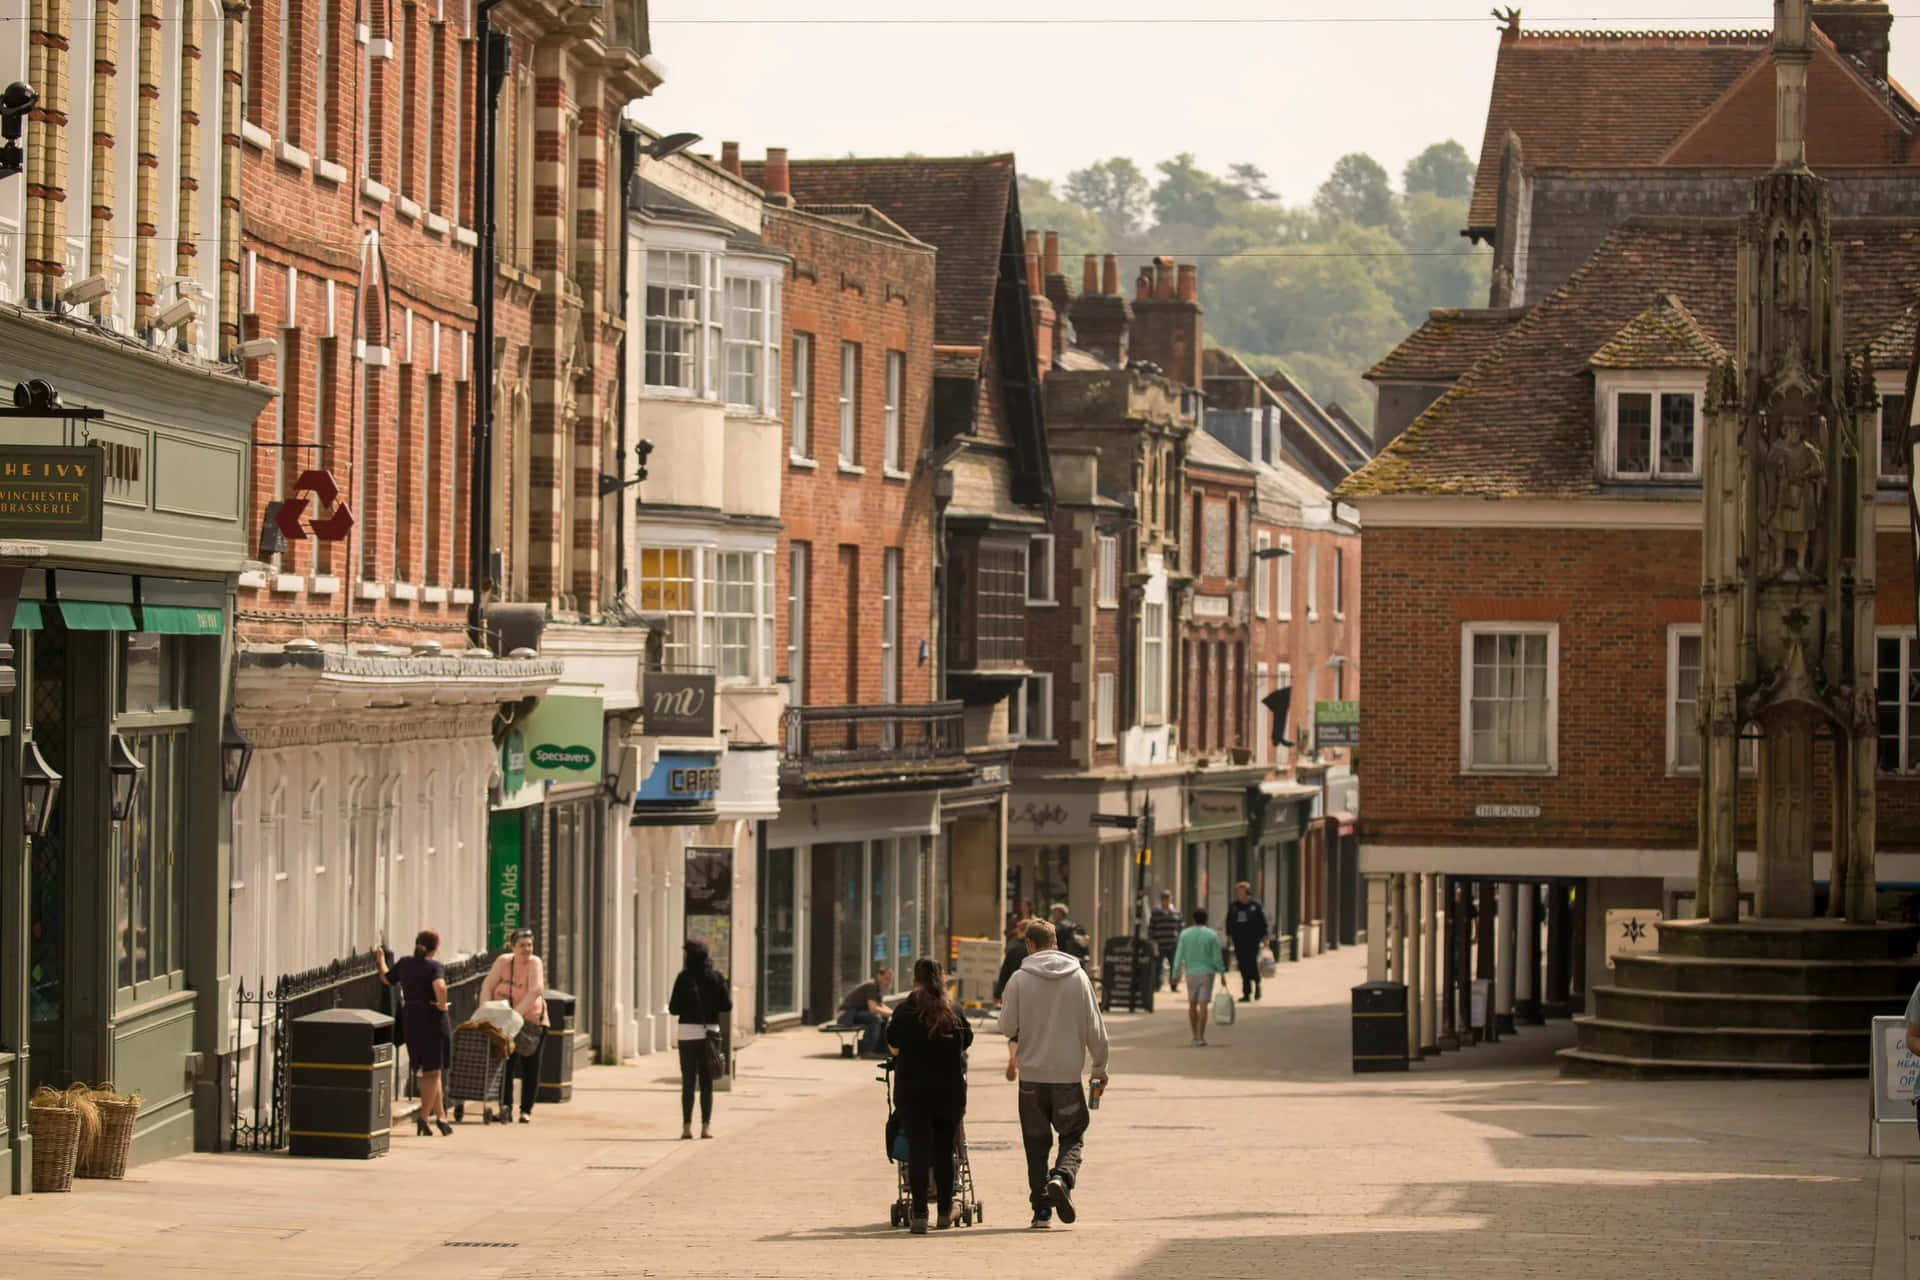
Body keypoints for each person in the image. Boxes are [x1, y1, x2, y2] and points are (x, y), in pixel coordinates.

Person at [999, 918, 1110, 1229]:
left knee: (1036, 1145)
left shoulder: (1019, 979)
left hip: (1031, 1079)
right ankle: (1061, 1178)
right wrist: (1100, 1068)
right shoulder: (1079, 978)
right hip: (1066, 1077)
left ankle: (1042, 1212)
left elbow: (1006, 1026)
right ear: (1057, 944)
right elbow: (1096, 1029)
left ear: (1029, 945)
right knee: (1073, 1134)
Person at [886, 958, 976, 1234]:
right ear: (942, 979)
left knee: (918, 1151)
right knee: (944, 1151)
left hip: (913, 1093)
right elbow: (967, 1041)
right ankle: (946, 1211)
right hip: (948, 1093)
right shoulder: (954, 1012)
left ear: (916, 980)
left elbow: (892, 1045)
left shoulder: (904, 1011)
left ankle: (920, 1213)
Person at [376, 931, 454, 1136]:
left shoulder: (404, 963)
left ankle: (442, 1117)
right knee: (433, 1071)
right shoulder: (434, 967)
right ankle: (423, 1118)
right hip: (432, 1018)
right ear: (435, 947)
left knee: (428, 1070)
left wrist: (381, 960)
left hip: (411, 1018)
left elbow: (386, 978)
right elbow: (440, 985)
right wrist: (442, 1004)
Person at [668, 938, 733, 1140]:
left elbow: (673, 1009)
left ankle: (686, 1127)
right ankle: (706, 1126)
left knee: (688, 1081)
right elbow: (727, 1006)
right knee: (707, 1082)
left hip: (687, 1034)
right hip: (709, 1035)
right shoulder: (716, 977)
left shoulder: (683, 978)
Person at [482, 928, 547, 1123]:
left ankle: (526, 1110)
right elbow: (488, 985)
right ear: (512, 947)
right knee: (506, 1064)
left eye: (530, 945)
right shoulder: (503, 962)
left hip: (531, 1022)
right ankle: (506, 1107)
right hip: (506, 1022)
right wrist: (486, 1010)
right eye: (522, 945)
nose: (527, 949)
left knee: (530, 1066)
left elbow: (535, 989)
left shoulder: (535, 963)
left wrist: (515, 1015)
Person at [1170, 908, 1228, 1047]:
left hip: (1191, 973)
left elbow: (1179, 955)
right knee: (1203, 1006)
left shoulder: (1185, 934)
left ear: (1194, 919)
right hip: (1207, 973)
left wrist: (1174, 973)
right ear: (1206, 920)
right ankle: (1200, 1036)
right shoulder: (1212, 935)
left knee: (1192, 1004)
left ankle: (1194, 1035)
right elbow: (1217, 957)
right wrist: (1222, 973)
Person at [1225, 882, 1271, 1003]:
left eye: (1241, 891)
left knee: (1252, 964)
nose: (1239, 894)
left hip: (1252, 940)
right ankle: (1246, 992)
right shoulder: (1234, 906)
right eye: (1237, 892)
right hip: (1239, 941)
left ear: (1247, 892)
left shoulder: (1255, 906)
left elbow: (1262, 922)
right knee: (1243, 966)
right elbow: (1229, 921)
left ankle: (1257, 984)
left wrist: (1265, 937)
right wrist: (1229, 935)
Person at [840, 966, 893, 1056]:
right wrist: (892, 1013)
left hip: (856, 1013)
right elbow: (873, 1008)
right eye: (886, 979)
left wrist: (894, 1013)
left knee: (883, 1018)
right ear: (879, 976)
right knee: (875, 1018)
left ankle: (880, 1049)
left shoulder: (876, 987)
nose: (888, 982)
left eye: (890, 980)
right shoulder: (871, 985)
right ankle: (867, 1050)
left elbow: (881, 1006)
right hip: (847, 1015)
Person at [1148, 892, 1183, 992]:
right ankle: (1157, 986)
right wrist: (1152, 941)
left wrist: (1179, 938)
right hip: (1160, 943)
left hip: (1173, 943)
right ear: (1162, 900)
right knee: (1158, 966)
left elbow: (1180, 926)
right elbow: (1151, 928)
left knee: (1174, 965)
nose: (1167, 900)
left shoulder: (1176, 912)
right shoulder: (1156, 912)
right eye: (1164, 899)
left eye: (1168, 898)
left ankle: (1174, 986)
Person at [993, 918, 1030, 1003]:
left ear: (1021, 931)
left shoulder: (1013, 950)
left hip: (1015, 990)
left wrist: (997, 994)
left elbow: (1004, 974)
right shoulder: (1039, 949)